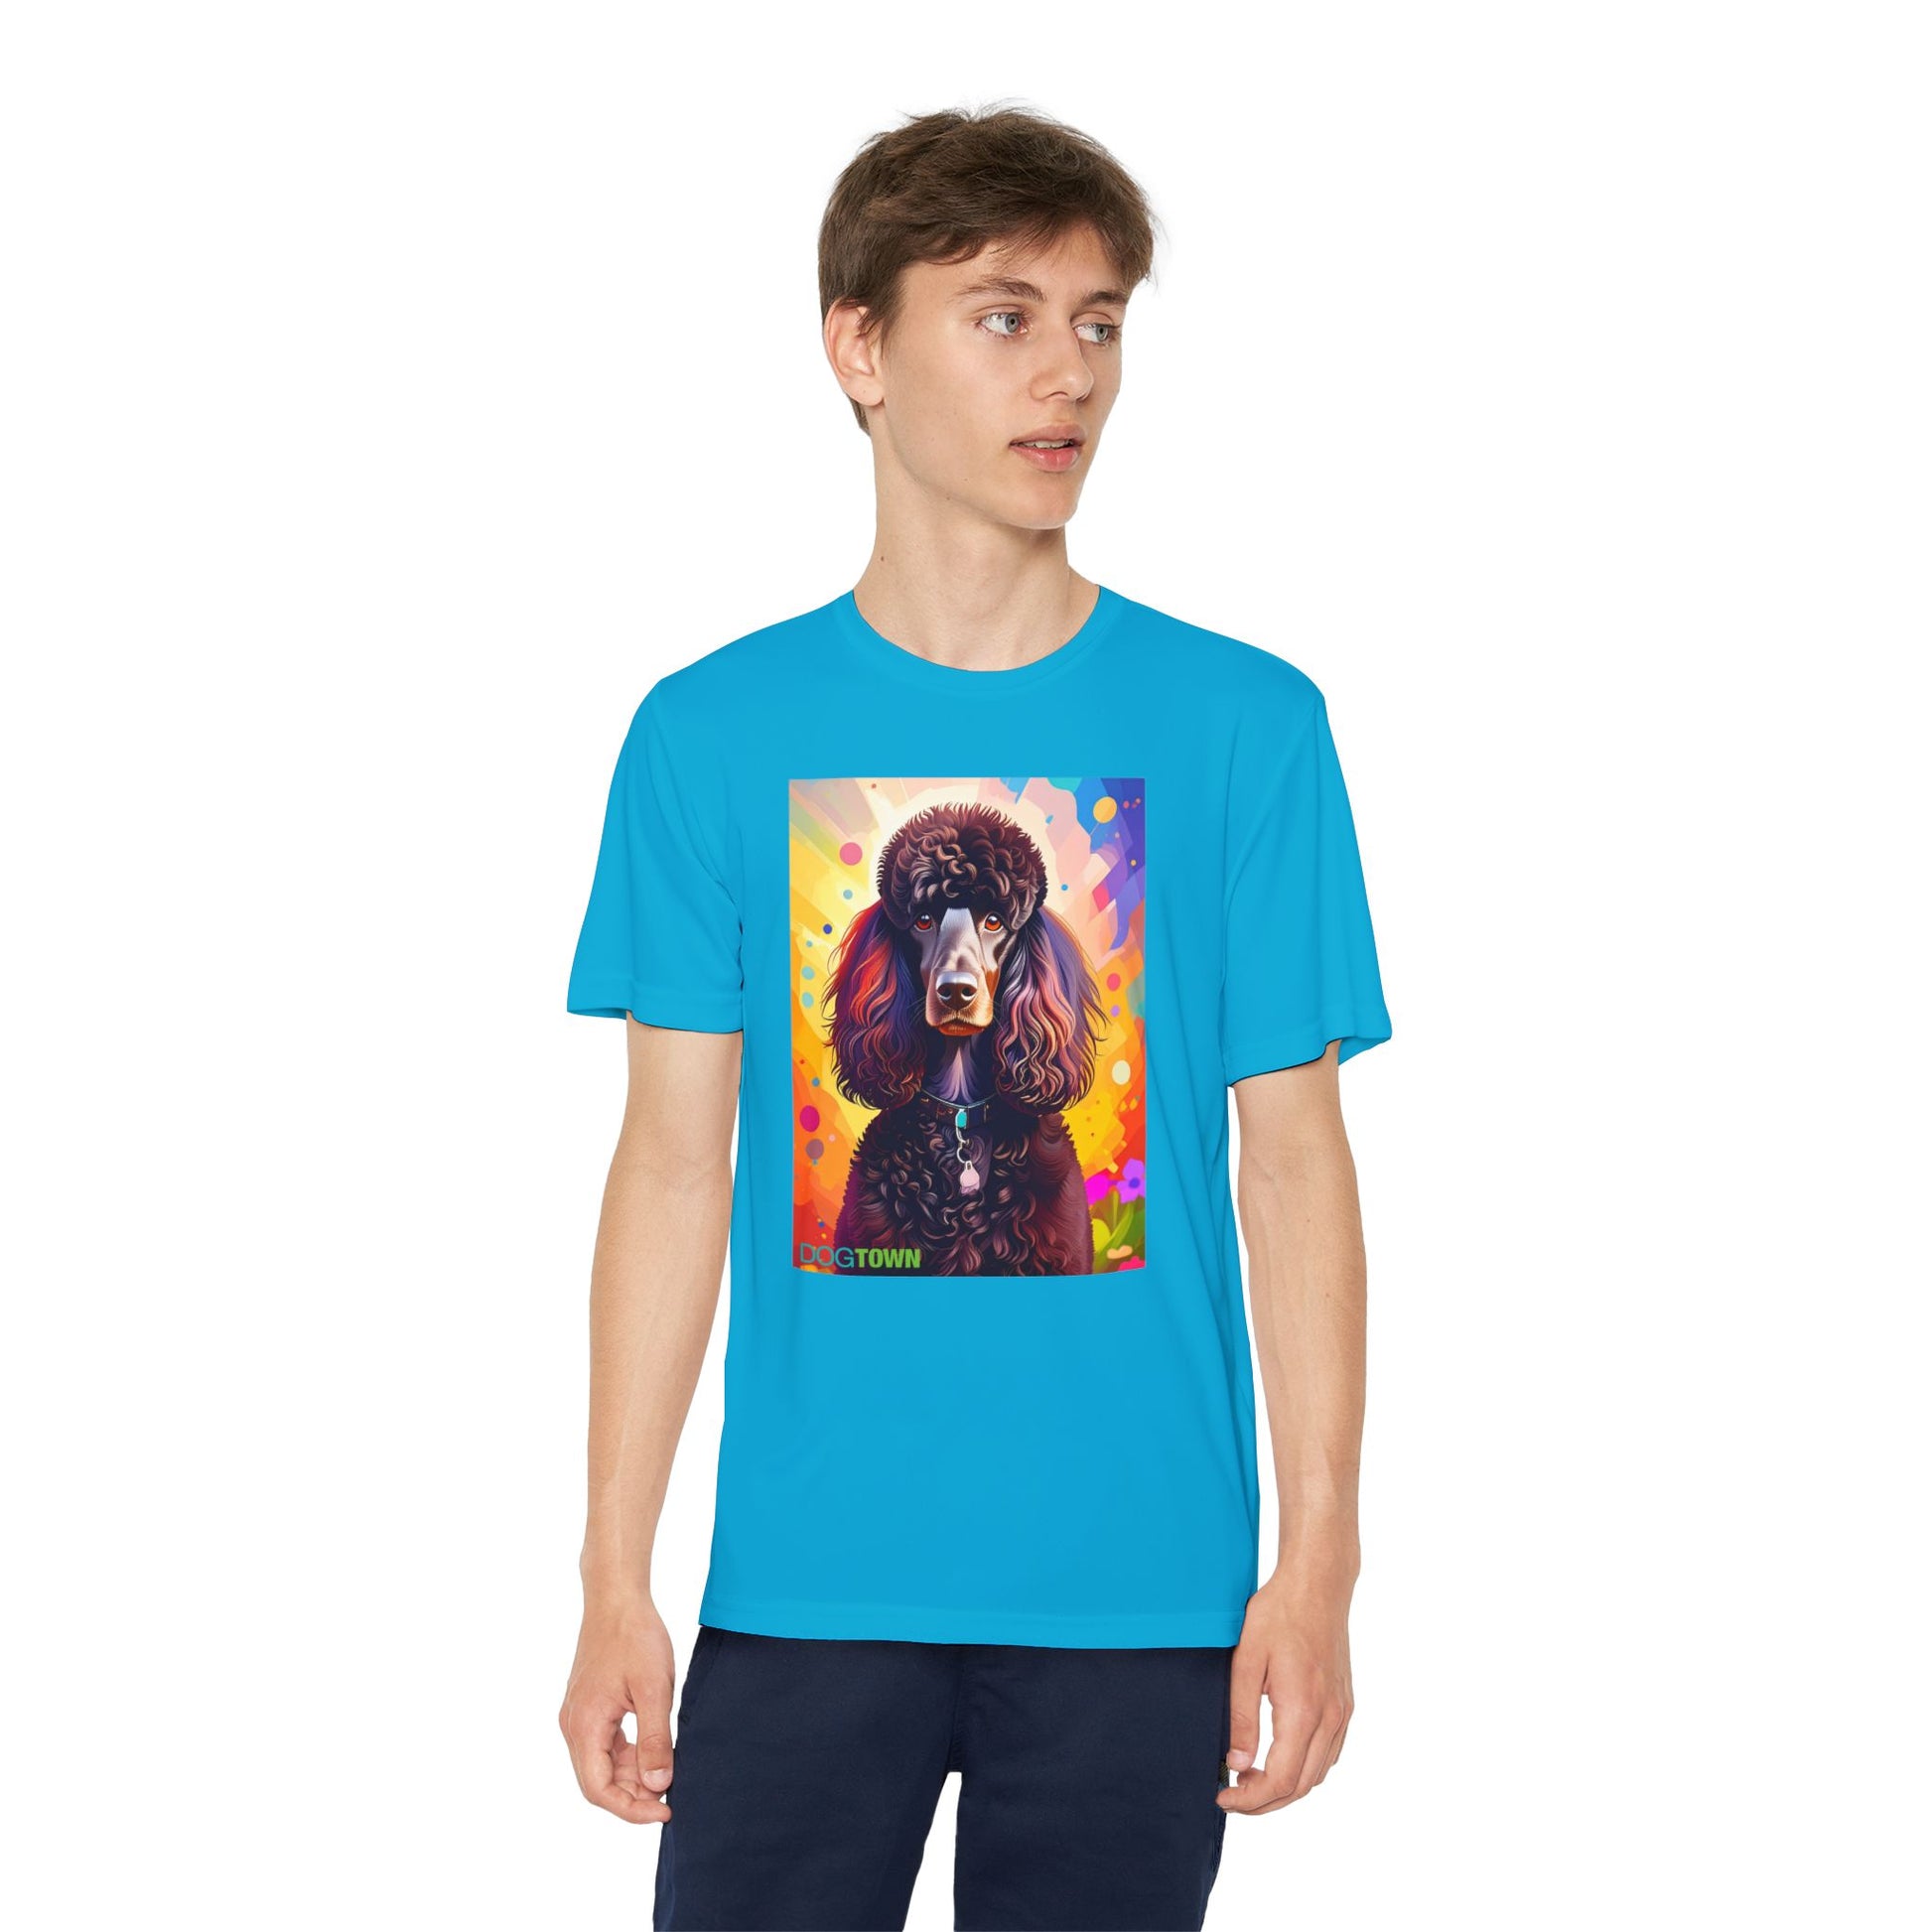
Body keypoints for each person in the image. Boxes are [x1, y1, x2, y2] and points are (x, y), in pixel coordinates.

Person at [557, 102, 1393, 1932]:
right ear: (858, 347)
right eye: (1003, 316)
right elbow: (674, 1169)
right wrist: (614, 1572)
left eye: (1097, 323)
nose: (1067, 373)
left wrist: (1317, 1557)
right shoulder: (707, 733)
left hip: (1142, 1591)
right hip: (802, 1585)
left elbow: (1292, 1165)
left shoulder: (1249, 727)